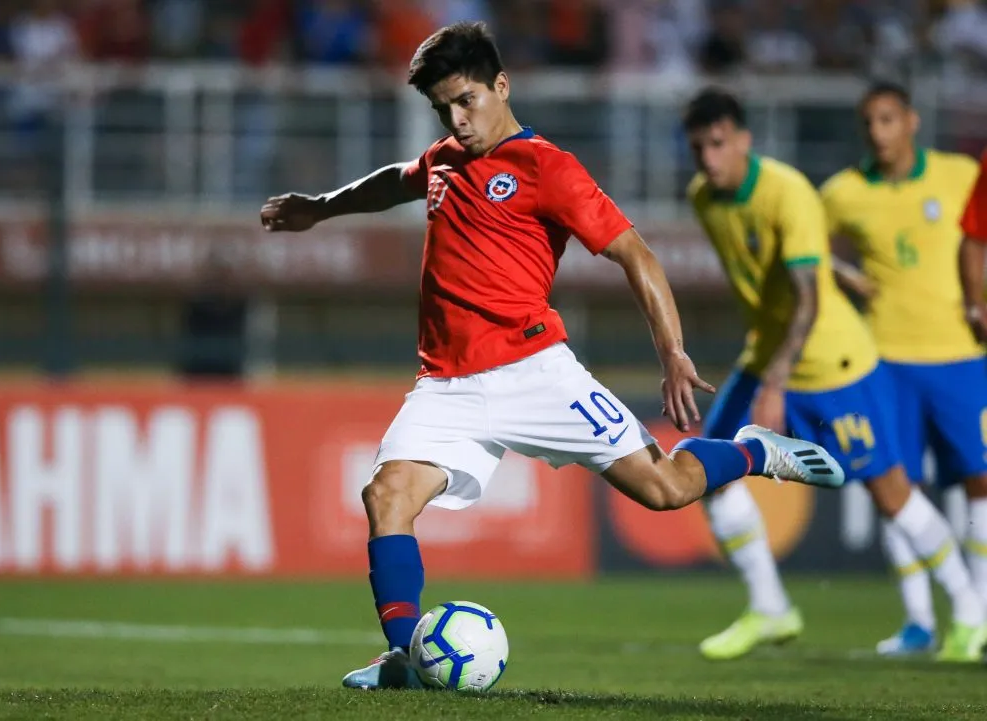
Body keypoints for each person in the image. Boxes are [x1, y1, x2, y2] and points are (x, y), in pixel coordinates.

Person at [260, 23, 846, 690]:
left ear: (502, 86)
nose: (457, 118)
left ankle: (752, 450)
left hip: (535, 373)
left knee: (666, 489)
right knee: (385, 496)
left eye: (467, 100)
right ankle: (404, 656)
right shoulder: (446, 158)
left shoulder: (548, 167)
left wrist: (673, 352)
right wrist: (321, 207)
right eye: (443, 108)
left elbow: (636, 255)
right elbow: (395, 181)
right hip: (446, 384)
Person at [683, 87, 987, 663]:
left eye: (718, 145)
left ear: (744, 140)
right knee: (707, 467)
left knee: (893, 493)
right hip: (767, 356)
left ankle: (969, 614)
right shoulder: (704, 198)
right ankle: (770, 607)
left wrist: (776, 381)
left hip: (834, 363)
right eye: (698, 147)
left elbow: (808, 302)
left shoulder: (788, 191)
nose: (708, 159)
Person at [824, 83, 987, 657]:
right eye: (869, 121)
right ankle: (919, 621)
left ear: (912, 122)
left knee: (980, 481)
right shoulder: (843, 192)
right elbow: (805, 248)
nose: (878, 131)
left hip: (962, 354)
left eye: (888, 119)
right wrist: (846, 276)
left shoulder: (960, 173)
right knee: (893, 484)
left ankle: (980, 616)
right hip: (883, 360)